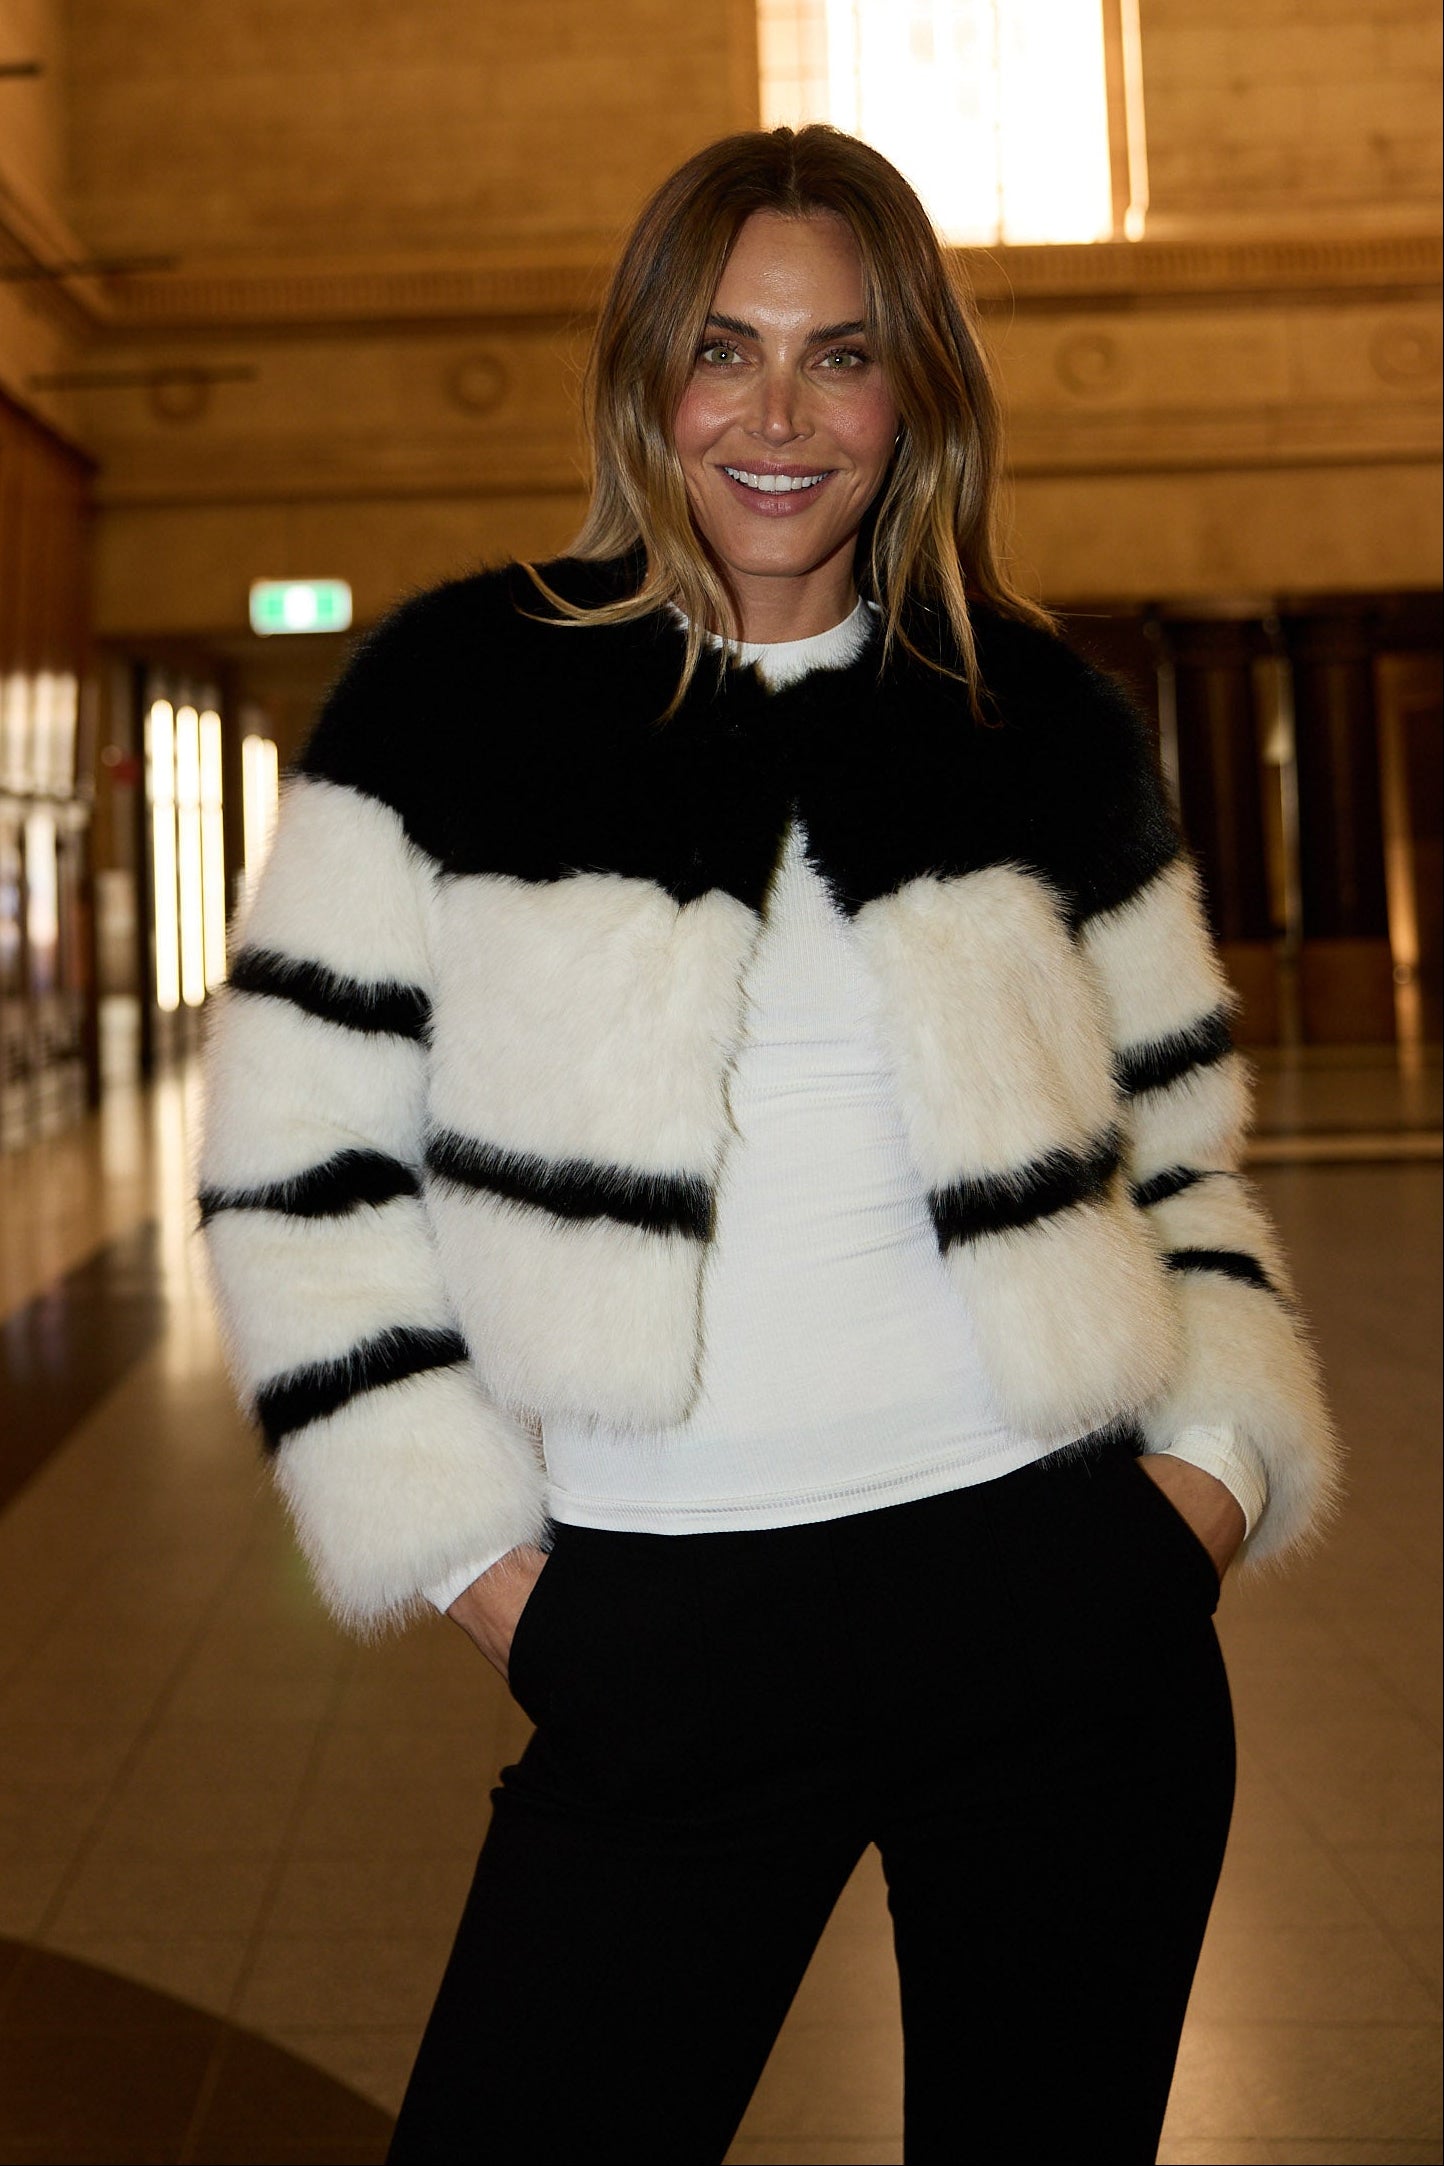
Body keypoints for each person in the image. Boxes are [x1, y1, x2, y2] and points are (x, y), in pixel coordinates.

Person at [199, 125, 1337, 2165]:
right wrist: (486, 1578)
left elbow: (1182, 1159)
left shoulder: (1035, 719)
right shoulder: (459, 698)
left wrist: (1209, 1482)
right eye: (722, 351)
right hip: (663, 1635)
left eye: (841, 354)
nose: (777, 415)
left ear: (916, 397)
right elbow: (303, 1185)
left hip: (1059, 1601)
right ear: (646, 377)